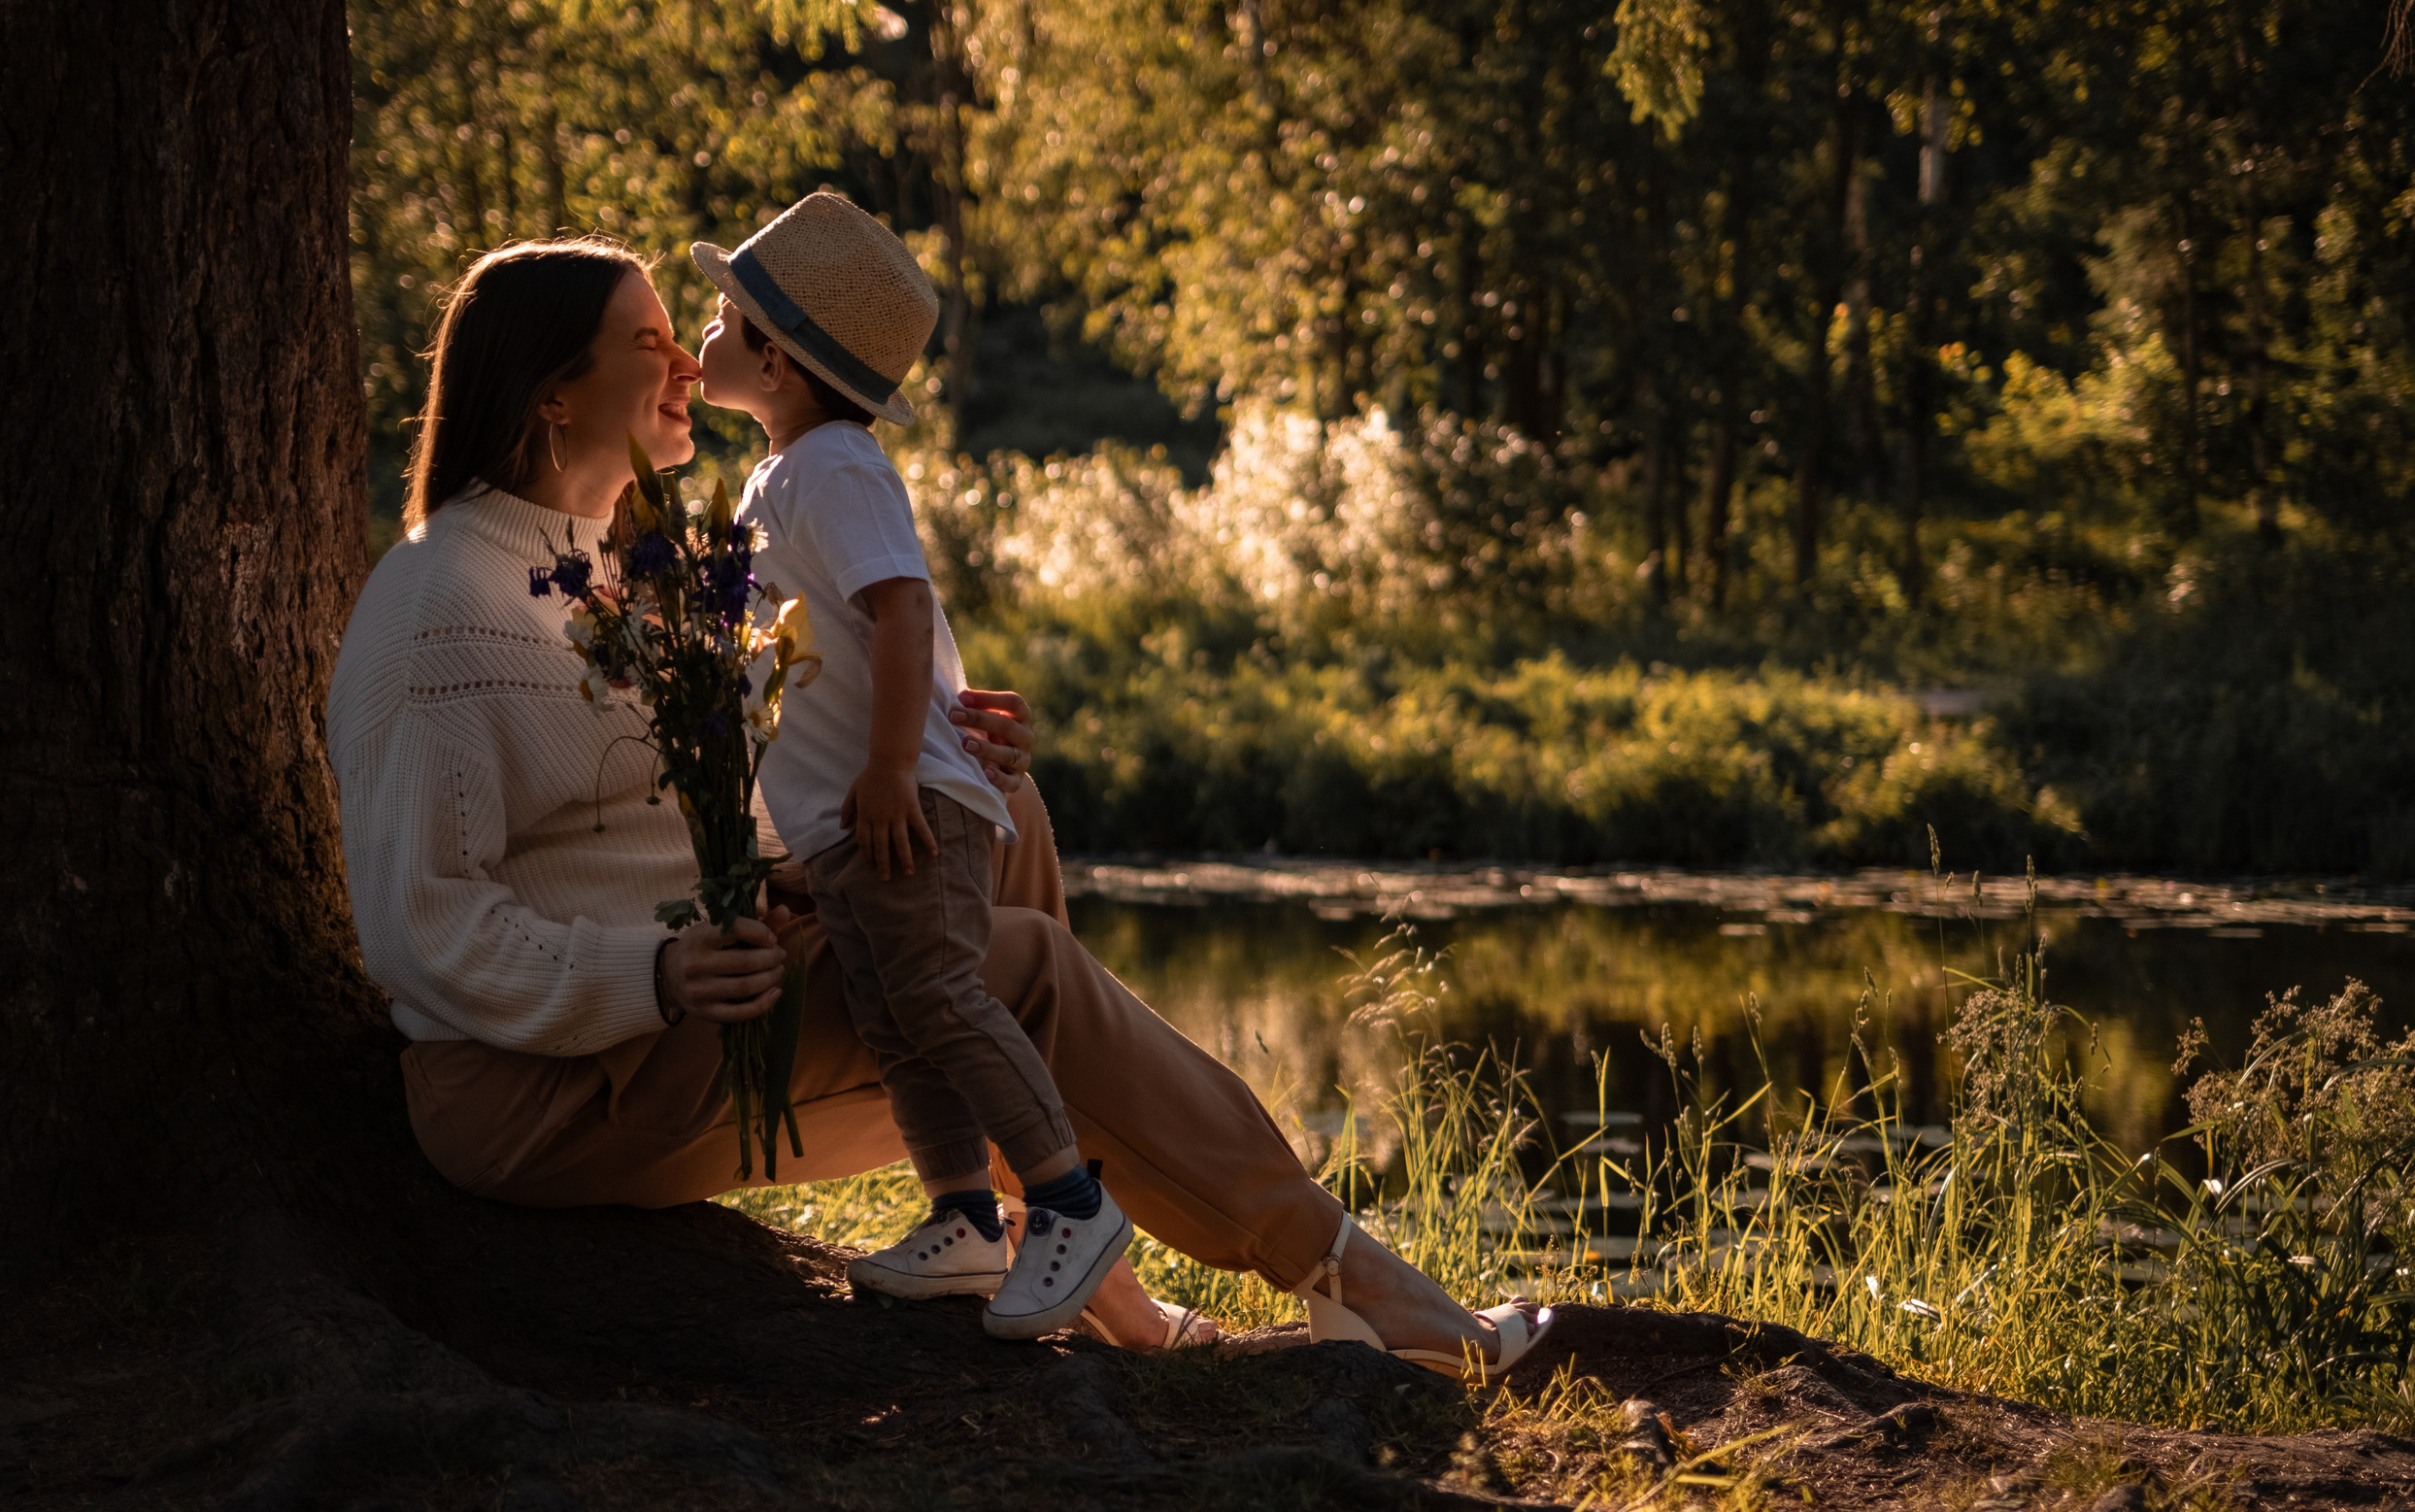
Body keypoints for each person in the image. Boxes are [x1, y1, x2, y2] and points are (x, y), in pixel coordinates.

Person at [324, 232, 1549, 1374]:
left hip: (689, 1025)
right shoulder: (440, 607)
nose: (685, 364)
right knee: (1008, 967)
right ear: (549, 390)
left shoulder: (625, 571)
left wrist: (941, 769)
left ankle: (1073, 1271)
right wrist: (651, 972)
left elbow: (694, 814)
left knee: (992, 832)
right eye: (647, 341)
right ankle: (1364, 1287)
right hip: (549, 1086)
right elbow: (420, 925)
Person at [690, 192, 1125, 1338]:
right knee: (894, 1016)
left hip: (904, 806)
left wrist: (888, 769)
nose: (703, 332)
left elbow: (898, 608)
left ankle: (1070, 1205)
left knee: (938, 991)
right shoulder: (783, 473)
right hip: (851, 819)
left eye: (720, 318)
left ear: (775, 360)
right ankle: (963, 1221)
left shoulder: (834, 466)